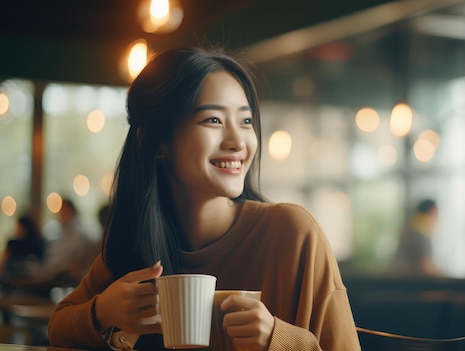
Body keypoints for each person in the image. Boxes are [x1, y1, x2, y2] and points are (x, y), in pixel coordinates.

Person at [48, 47, 361, 351]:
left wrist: (276, 339)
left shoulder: (292, 234)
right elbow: (59, 327)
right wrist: (102, 311)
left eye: (246, 121)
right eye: (213, 120)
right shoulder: (137, 241)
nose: (238, 141)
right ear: (159, 143)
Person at [35, 198, 96, 286]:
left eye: (63, 211)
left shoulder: (78, 233)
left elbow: (72, 260)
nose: (60, 215)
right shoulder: (63, 232)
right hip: (55, 271)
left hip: (64, 274)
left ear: (71, 211)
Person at [391, 199, 441, 276]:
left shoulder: (410, 228)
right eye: (436, 213)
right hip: (407, 283)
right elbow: (425, 266)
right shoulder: (421, 232)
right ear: (432, 211)